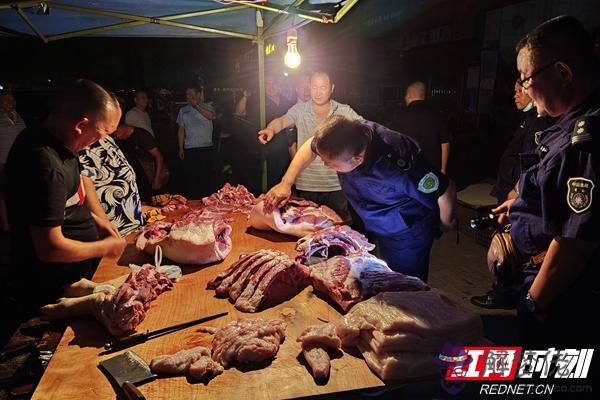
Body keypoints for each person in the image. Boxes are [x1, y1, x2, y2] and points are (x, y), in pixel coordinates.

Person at [494, 16, 600, 347]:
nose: (525, 90)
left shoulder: (588, 136)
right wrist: (524, 201)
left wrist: (535, 303)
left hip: (562, 296)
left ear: (563, 73)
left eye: (526, 79)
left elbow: (576, 241)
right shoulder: (567, 121)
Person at [264, 115, 456, 281]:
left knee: (406, 286)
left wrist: (446, 223)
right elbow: (312, 145)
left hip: (406, 231)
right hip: (376, 221)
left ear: (356, 159)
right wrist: (286, 182)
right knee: (380, 277)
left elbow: (445, 188)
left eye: (330, 164)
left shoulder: (399, 163)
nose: (325, 165)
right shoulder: (344, 135)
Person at [4, 79, 127, 316]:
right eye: (103, 132)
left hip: (74, 277)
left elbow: (70, 196)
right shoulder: (45, 164)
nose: (102, 141)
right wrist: (103, 247)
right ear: (81, 124)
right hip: (52, 289)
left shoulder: (58, 140)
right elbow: (49, 248)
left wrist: (97, 221)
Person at [258, 71, 360, 220]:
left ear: (332, 88)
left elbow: (365, 128)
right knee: (306, 229)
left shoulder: (343, 110)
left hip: (336, 186)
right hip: (306, 185)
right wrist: (271, 129)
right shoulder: (300, 110)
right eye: (314, 87)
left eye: (323, 88)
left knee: (337, 231)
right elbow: (281, 120)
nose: (318, 93)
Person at [488, 81, 557, 204]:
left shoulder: (539, 121)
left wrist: (517, 190)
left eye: (520, 90)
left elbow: (533, 161)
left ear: (532, 92)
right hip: (507, 186)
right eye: (515, 91)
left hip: (516, 192)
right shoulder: (528, 118)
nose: (516, 95)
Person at [235, 75, 292, 188]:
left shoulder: (286, 102)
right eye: (267, 84)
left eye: (273, 83)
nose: (270, 87)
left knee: (282, 182)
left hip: (284, 150)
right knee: (265, 183)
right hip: (265, 150)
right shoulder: (259, 102)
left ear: (279, 85)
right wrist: (245, 96)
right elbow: (239, 113)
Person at [384, 81, 450, 174]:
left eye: (405, 95)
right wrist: (443, 169)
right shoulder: (436, 114)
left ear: (409, 95)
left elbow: (388, 140)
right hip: (432, 168)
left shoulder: (398, 115)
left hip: (409, 168)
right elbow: (445, 144)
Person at [112, 122, 167, 202]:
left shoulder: (142, 135)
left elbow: (158, 156)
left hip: (153, 172)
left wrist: (157, 178)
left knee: (157, 200)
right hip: (142, 176)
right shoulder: (125, 139)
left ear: (121, 129)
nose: (117, 138)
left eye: (116, 135)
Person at [177, 86, 215, 199]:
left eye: (191, 94)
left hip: (206, 147)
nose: (189, 96)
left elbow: (211, 116)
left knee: (206, 177)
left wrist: (196, 106)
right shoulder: (183, 110)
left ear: (198, 94)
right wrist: (180, 148)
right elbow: (181, 129)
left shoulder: (208, 106)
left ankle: (207, 205)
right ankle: (193, 204)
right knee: (192, 178)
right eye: (187, 94)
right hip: (190, 148)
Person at [0, 91, 26, 232]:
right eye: (6, 100)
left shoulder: (19, 117)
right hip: (2, 164)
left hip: (18, 163)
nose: (11, 102)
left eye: (13, 100)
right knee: (3, 195)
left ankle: (20, 220)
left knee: (19, 193)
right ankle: (6, 226)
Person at [287, 74, 311, 159]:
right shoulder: (289, 109)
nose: (306, 91)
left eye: (309, 86)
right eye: (302, 87)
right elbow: (290, 142)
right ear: (296, 89)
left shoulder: (322, 107)